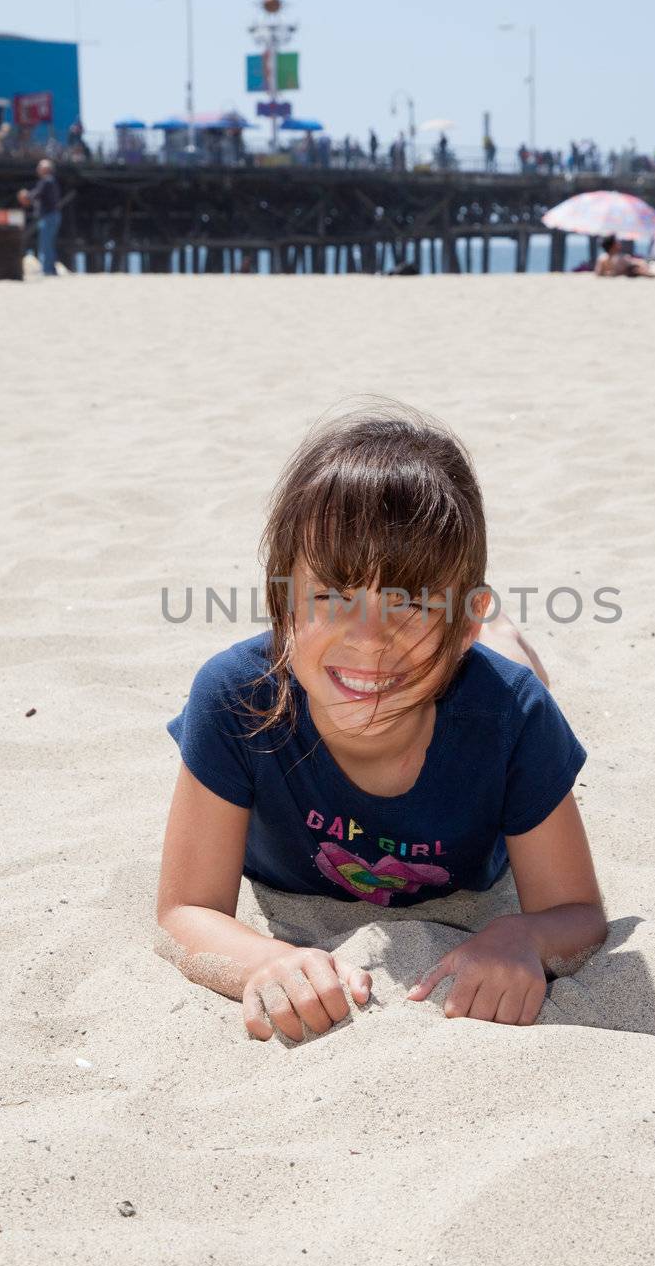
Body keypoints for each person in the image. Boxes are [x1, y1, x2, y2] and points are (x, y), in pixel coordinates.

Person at [157, 406, 606, 1042]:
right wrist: (267, 960)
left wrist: (521, 934)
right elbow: (185, 910)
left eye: (416, 603)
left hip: (477, 679)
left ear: (463, 621)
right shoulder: (237, 698)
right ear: (282, 603)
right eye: (334, 595)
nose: (371, 639)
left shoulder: (514, 716)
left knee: (507, 674)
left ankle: (500, 638)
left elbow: (578, 913)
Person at [18, 158, 62, 277]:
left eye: (40, 167)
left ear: (46, 169)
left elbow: (36, 194)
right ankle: (51, 269)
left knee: (45, 244)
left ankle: (47, 270)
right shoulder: (49, 181)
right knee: (49, 244)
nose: (37, 169)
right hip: (52, 216)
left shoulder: (47, 180)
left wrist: (25, 195)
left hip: (49, 217)